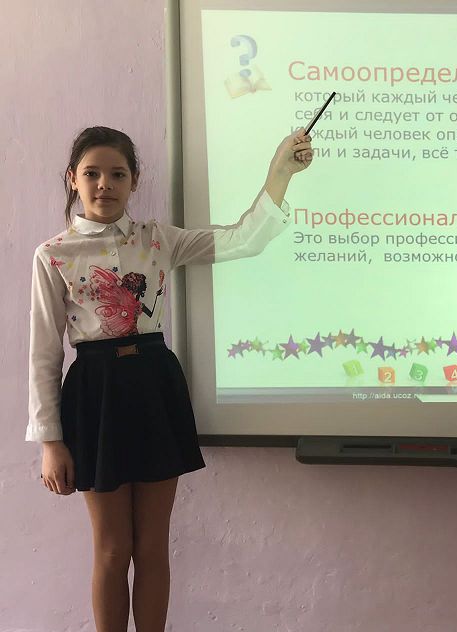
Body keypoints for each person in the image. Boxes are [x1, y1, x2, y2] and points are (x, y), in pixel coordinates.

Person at [26, 125, 312, 631]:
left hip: (155, 388)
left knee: (153, 546)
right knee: (112, 549)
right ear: (73, 178)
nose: (104, 184)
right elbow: (43, 353)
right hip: (95, 398)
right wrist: (51, 441)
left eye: (118, 174)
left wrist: (280, 172)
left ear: (134, 181)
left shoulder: (157, 239)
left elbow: (243, 239)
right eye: (92, 173)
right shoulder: (53, 254)